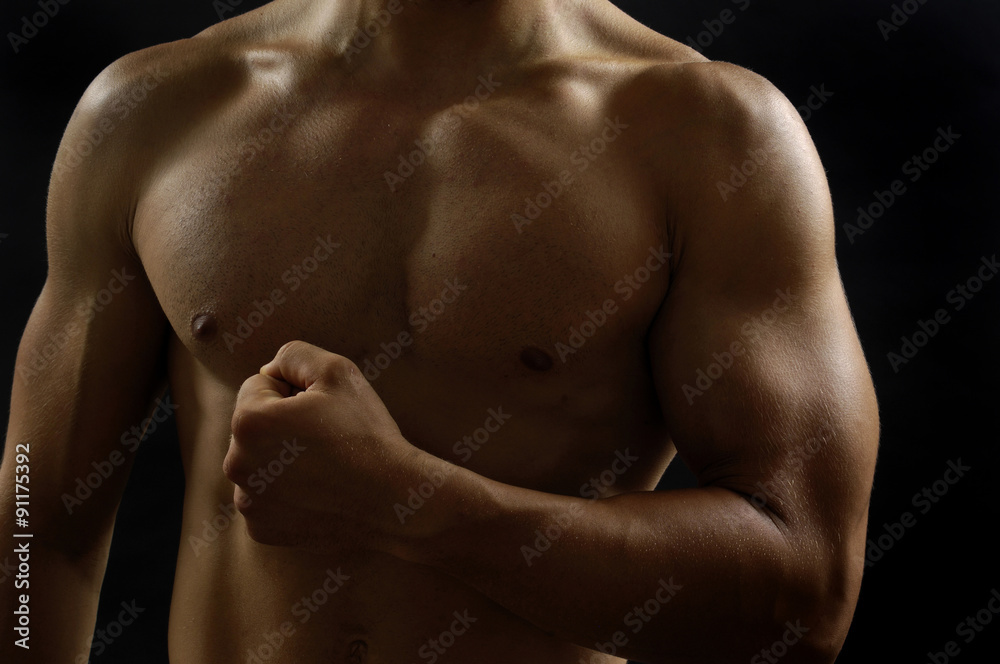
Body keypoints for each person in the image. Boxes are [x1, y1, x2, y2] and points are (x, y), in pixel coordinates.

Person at [0, 0, 879, 662]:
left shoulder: (710, 136)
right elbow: (39, 512)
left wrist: (406, 504)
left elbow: (804, 593)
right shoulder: (156, 108)